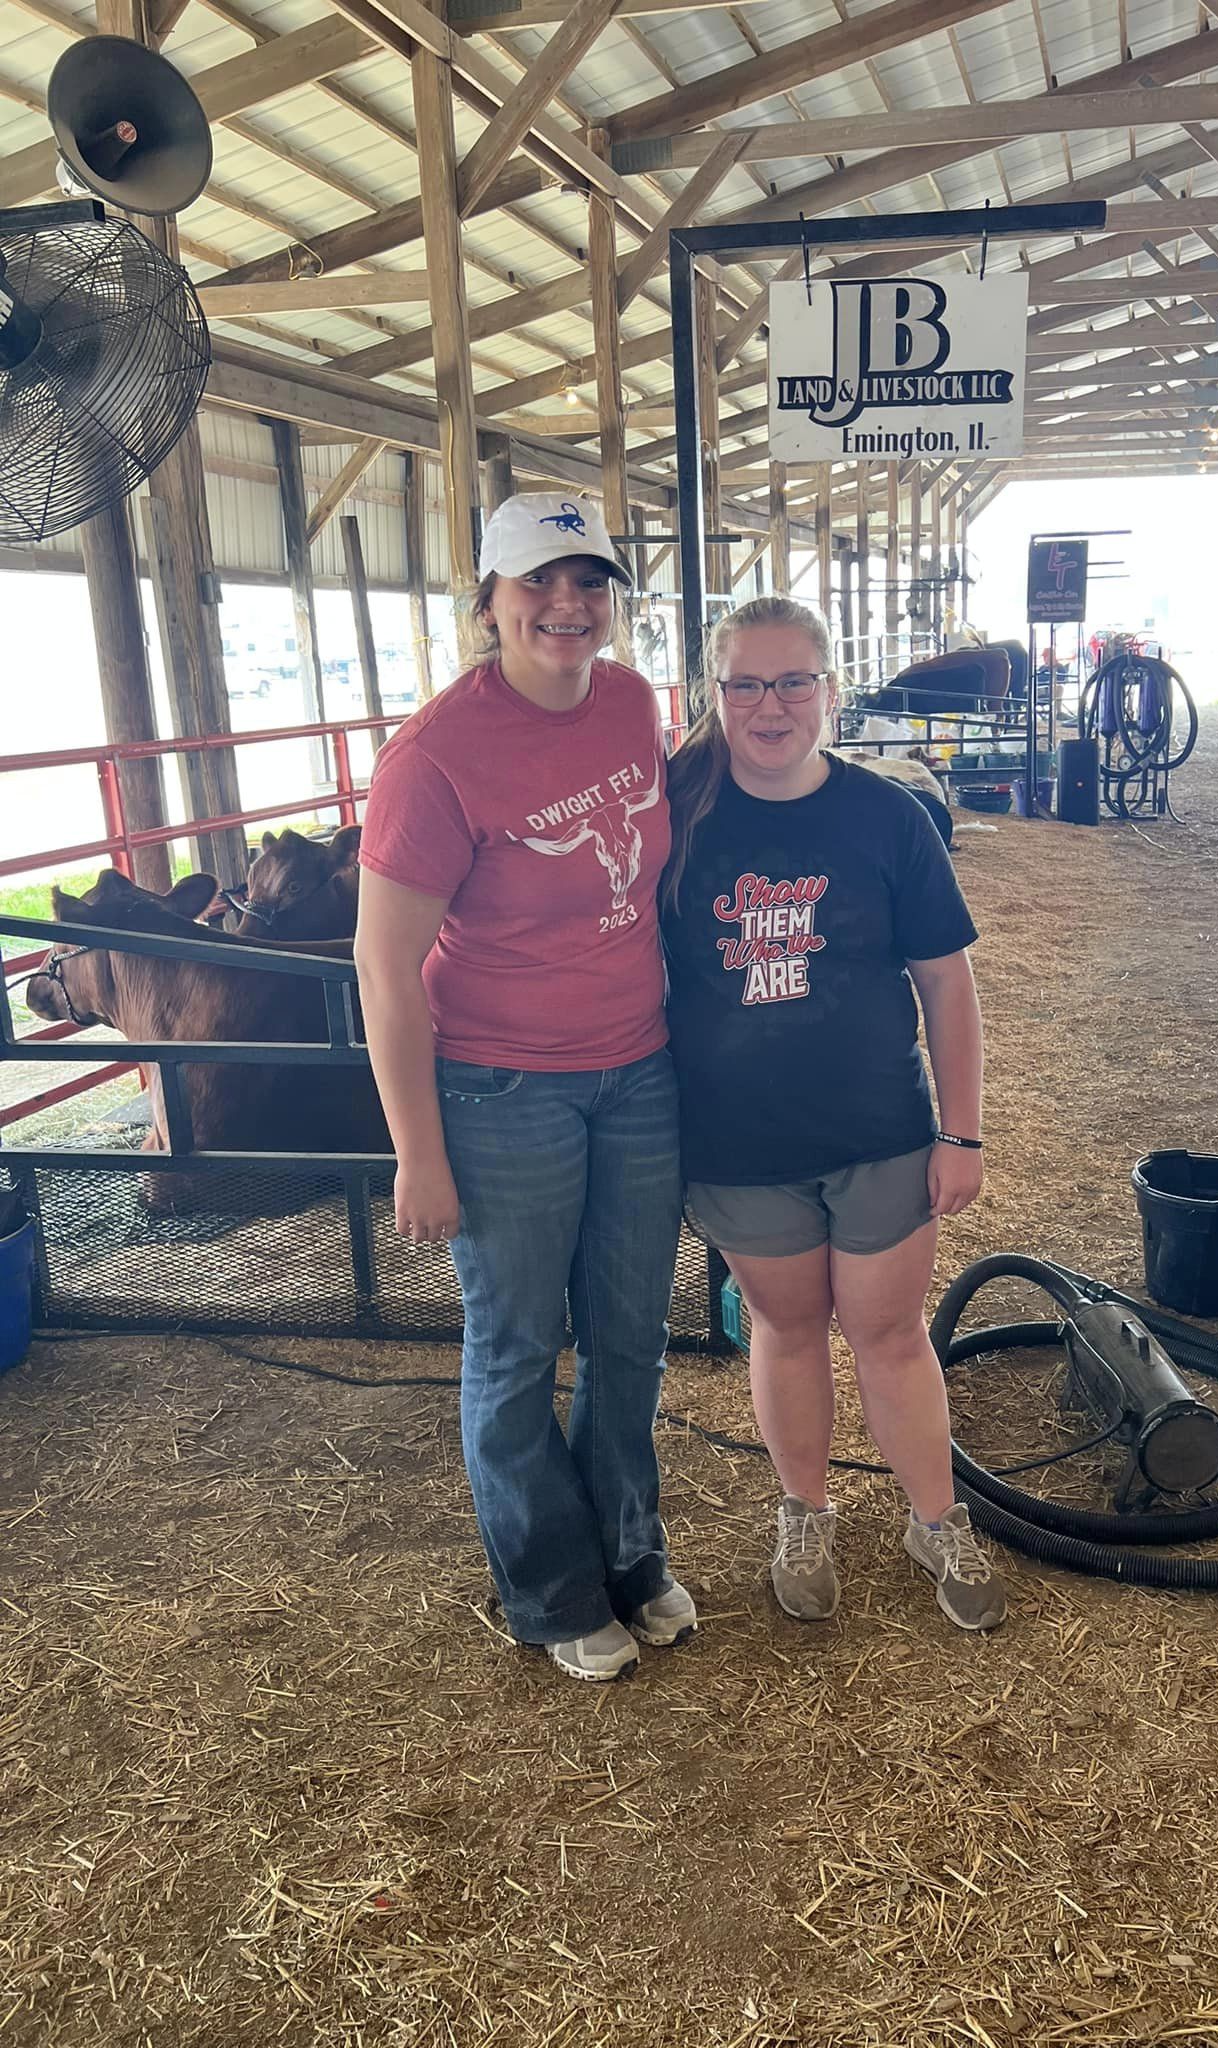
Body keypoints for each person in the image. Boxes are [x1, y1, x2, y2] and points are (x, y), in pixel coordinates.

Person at [354, 493, 694, 1684]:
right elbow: (383, 964)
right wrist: (418, 1148)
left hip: (638, 1067)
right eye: (540, 581)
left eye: (590, 579)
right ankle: (550, 1587)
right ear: (489, 598)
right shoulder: (435, 756)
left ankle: (630, 1551)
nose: (568, 603)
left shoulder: (633, 702)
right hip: (502, 1086)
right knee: (514, 1344)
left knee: (630, 1332)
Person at [662, 595, 1006, 1632]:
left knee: (889, 1328)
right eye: (747, 684)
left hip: (880, 1130)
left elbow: (947, 984)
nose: (771, 705)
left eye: (793, 681)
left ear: (830, 689)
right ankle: (804, 1509)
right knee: (786, 1322)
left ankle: (934, 1516)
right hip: (738, 1139)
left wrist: (963, 1130)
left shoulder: (885, 815)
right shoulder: (671, 811)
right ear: (712, 694)